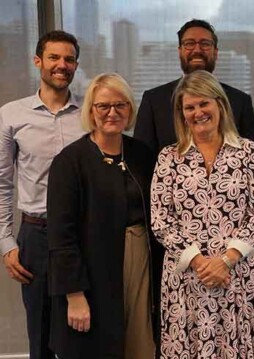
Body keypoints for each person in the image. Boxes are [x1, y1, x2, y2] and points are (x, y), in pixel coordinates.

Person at [150, 69, 254, 358]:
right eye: (189, 107)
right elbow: (160, 220)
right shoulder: (169, 157)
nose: (198, 112)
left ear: (220, 104)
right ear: (181, 114)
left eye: (204, 103)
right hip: (186, 281)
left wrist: (226, 261)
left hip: (236, 277)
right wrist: (199, 261)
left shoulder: (247, 152)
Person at [46, 73, 156, 358]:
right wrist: (74, 294)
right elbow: (61, 236)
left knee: (139, 345)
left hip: (141, 263)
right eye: (103, 106)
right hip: (92, 272)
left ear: (130, 109)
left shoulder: (142, 154)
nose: (112, 112)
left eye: (120, 105)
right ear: (91, 111)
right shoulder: (70, 161)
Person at [0, 30, 83, 359]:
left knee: (85, 331)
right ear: (38, 61)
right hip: (36, 235)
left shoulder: (90, 113)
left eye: (69, 59)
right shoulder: (11, 114)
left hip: (82, 234)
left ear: (76, 65)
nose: (62, 65)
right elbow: (2, 182)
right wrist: (7, 244)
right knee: (42, 336)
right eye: (54, 57)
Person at [135, 19, 254, 152]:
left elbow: (253, 161)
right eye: (189, 44)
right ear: (180, 51)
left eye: (205, 44)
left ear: (215, 52)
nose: (197, 49)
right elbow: (141, 160)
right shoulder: (153, 100)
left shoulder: (241, 101)